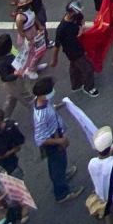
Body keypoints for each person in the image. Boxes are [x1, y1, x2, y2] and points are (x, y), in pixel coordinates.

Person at [31, 77, 82, 205]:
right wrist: (60, 141)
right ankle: (62, 194)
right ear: (42, 94)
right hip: (53, 141)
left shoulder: (40, 101)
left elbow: (50, 109)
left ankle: (62, 177)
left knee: (58, 163)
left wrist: (58, 106)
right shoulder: (40, 116)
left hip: (56, 135)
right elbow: (40, 139)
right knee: (57, 164)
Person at [50, 0, 98, 98]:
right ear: (71, 12)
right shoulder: (61, 29)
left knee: (75, 66)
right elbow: (57, 45)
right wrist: (54, 59)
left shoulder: (76, 16)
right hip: (73, 51)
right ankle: (89, 87)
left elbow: (82, 20)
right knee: (88, 68)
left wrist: (81, 28)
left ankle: (76, 84)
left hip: (78, 45)